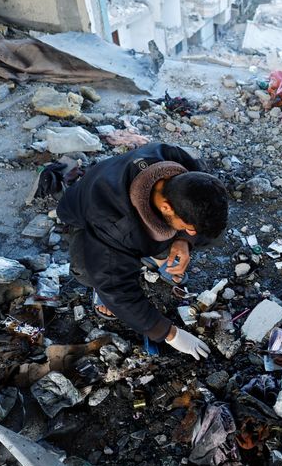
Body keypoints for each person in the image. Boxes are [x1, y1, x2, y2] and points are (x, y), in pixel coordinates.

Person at [56, 143, 229, 360]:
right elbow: (115, 287)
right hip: (85, 218)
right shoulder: (114, 224)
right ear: (166, 207)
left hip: (125, 201)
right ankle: (113, 279)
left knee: (200, 231)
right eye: (187, 227)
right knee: (90, 271)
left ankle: (158, 251)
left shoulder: (173, 162)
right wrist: (169, 333)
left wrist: (185, 240)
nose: (190, 231)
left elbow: (204, 200)